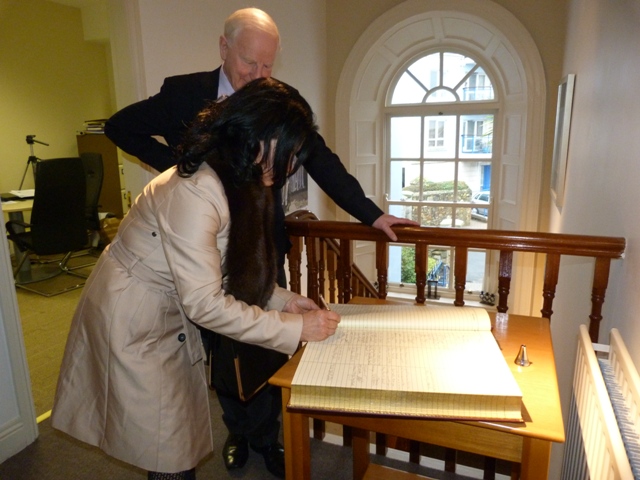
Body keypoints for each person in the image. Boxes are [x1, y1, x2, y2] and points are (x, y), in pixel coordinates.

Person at [104, 8, 418, 477]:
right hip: (147, 312)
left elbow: (322, 162)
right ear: (224, 48)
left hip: (228, 262)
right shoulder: (196, 187)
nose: (258, 73)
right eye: (250, 62)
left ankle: (267, 437)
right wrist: (180, 163)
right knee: (180, 419)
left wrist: (367, 218)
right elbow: (209, 302)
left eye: (267, 65)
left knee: (244, 363)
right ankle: (236, 432)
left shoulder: (272, 117)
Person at [51, 77, 341, 480]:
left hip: (169, 304)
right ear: (257, 136)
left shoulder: (238, 173)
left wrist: (283, 300)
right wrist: (296, 327)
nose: (291, 167)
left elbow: (227, 268)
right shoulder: (197, 190)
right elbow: (205, 302)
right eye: (289, 154)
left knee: (173, 433)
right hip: (134, 313)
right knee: (166, 442)